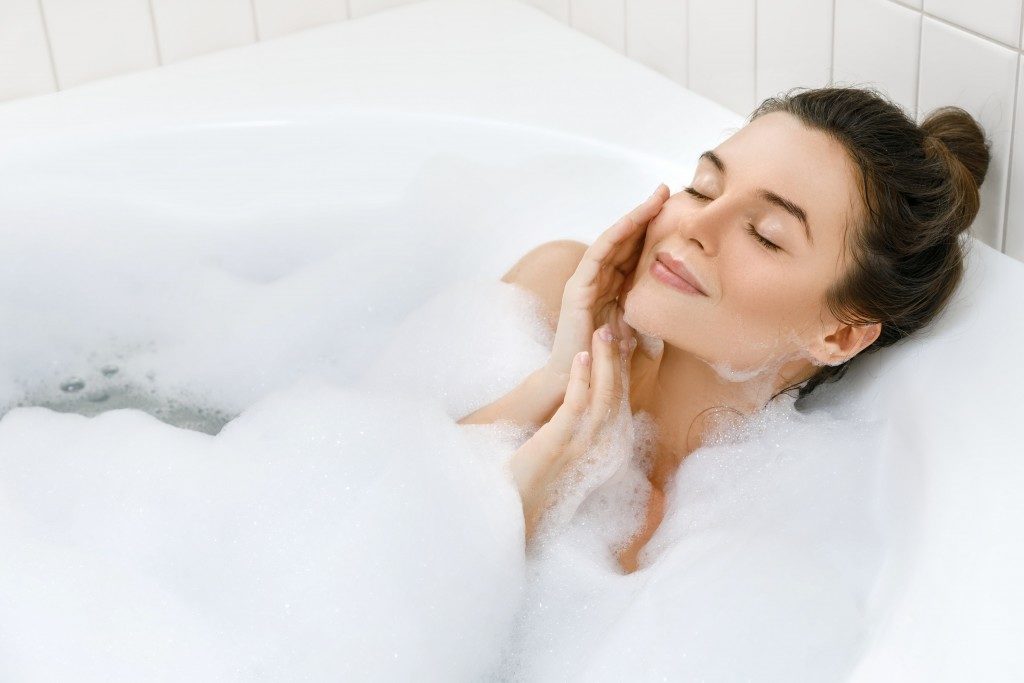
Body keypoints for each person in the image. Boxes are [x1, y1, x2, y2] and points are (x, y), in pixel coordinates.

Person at [457, 85, 991, 572]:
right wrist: (549, 386)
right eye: (704, 189)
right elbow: (389, 514)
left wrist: (546, 478)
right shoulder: (547, 301)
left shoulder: (762, 538)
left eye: (766, 235)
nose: (696, 225)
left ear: (838, 336)